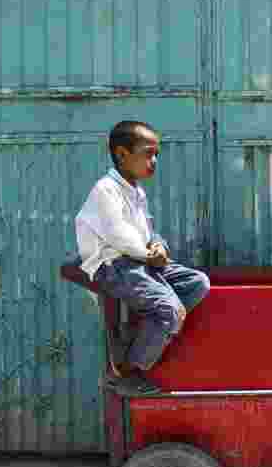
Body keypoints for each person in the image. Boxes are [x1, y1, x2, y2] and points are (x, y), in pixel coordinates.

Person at [74, 120, 210, 395]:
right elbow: (118, 234)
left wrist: (158, 246)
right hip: (113, 264)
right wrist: (149, 255)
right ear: (122, 154)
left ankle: (149, 325)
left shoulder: (135, 191)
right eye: (148, 153)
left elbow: (146, 230)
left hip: (139, 260)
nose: (154, 160)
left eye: (156, 154)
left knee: (197, 283)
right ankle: (127, 372)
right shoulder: (106, 190)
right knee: (170, 309)